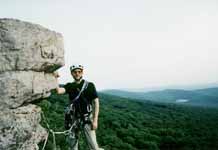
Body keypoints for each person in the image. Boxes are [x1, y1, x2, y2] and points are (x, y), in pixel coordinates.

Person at [53, 64, 104, 150]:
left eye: (79, 72)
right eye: (75, 72)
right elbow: (58, 91)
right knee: (73, 146)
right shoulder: (69, 86)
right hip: (73, 119)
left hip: (86, 119)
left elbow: (96, 103)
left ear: (82, 73)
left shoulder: (90, 85)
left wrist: (95, 121)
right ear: (71, 73)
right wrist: (55, 77)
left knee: (94, 147)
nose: (77, 74)